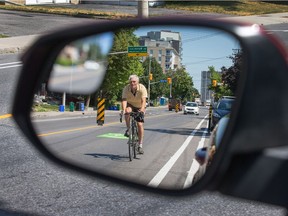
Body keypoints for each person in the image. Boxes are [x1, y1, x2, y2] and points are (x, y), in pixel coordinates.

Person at [121, 75, 147, 154]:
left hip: (139, 106)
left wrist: (142, 111)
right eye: (131, 82)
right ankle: (129, 129)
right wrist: (124, 110)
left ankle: (140, 145)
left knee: (140, 124)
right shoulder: (126, 88)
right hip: (130, 105)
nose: (132, 83)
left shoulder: (142, 88)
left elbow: (143, 101)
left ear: (138, 82)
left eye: (134, 82)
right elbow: (124, 100)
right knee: (127, 111)